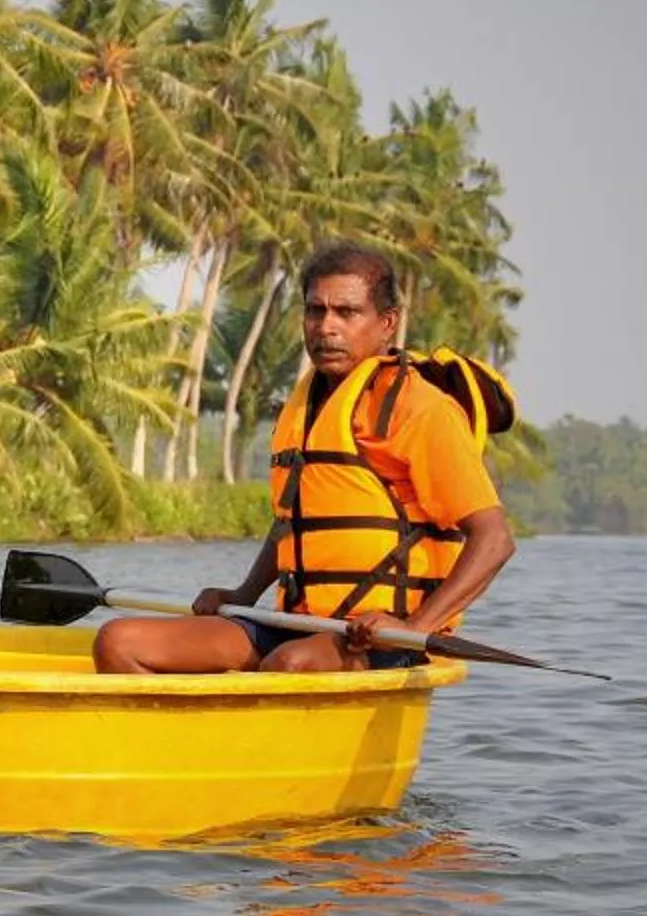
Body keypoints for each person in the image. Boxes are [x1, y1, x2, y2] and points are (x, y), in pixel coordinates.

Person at [93, 241, 515, 674]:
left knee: (288, 665)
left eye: (347, 313)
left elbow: (494, 540)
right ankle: (188, 742)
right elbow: (293, 525)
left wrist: (415, 626)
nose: (326, 327)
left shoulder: (420, 409)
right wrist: (243, 595)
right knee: (120, 641)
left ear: (387, 324)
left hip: (380, 635)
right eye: (316, 311)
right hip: (295, 622)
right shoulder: (305, 408)